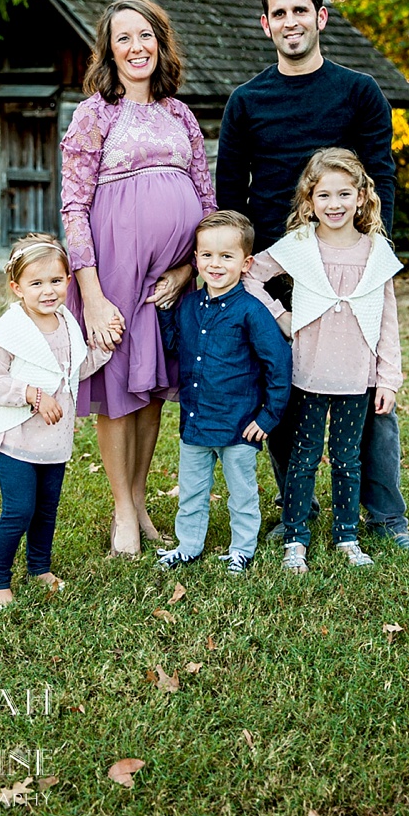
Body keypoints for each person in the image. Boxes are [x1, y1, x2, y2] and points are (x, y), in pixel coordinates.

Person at [216, 0, 409, 557]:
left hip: (351, 262)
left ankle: (386, 517)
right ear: (266, 25)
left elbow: (379, 176)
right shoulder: (246, 102)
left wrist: (376, 256)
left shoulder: (359, 92)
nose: (290, 22)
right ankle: (296, 511)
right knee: (285, 388)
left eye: (300, 11)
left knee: (368, 388)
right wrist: (243, 269)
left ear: (320, 18)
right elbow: (231, 193)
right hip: (281, 267)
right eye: (278, 13)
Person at [61, 0, 217, 557]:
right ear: (109, 49)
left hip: (168, 282)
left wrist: (186, 270)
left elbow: (206, 201)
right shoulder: (94, 114)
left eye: (145, 35)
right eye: (123, 38)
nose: (136, 47)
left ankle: (141, 500)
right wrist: (93, 296)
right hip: (114, 275)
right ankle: (123, 511)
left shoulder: (181, 115)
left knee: (150, 389)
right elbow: (74, 206)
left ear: (160, 43)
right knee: (118, 391)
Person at [244, 148, 406, 572]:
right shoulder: (300, 245)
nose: (334, 205)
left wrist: (388, 379)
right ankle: (296, 536)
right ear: (309, 201)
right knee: (303, 454)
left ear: (361, 197)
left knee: (348, 457)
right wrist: (281, 317)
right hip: (308, 371)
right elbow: (249, 275)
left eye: (343, 194)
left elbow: (387, 319)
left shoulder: (376, 251)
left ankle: (347, 536)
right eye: (324, 196)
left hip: (357, 375)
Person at [0, 234, 116, 607]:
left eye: (56, 281)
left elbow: (73, 370)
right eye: (36, 283)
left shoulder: (67, 323)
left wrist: (103, 347)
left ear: (68, 281)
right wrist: (33, 395)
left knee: (46, 509)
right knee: (19, 510)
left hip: (53, 441)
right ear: (17, 287)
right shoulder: (11, 329)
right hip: (17, 437)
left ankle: (39, 568)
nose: (47, 291)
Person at [156, 210, 292, 575]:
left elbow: (278, 364)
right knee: (191, 492)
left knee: (242, 494)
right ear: (196, 259)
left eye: (226, 256)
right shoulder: (188, 306)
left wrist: (268, 415)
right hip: (197, 423)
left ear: (246, 263)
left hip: (239, 425)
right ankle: (188, 546)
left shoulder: (252, 311)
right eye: (207, 255)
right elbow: (173, 347)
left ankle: (242, 549)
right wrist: (165, 312)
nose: (216, 264)